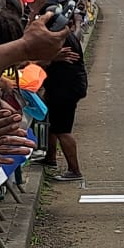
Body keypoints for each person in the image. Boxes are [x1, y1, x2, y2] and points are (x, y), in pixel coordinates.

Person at [41, 14, 87, 182]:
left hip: (65, 90)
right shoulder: (67, 37)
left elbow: (38, 61)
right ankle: (50, 158)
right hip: (62, 88)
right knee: (54, 125)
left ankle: (74, 170)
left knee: (62, 130)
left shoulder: (59, 43)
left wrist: (50, 58)